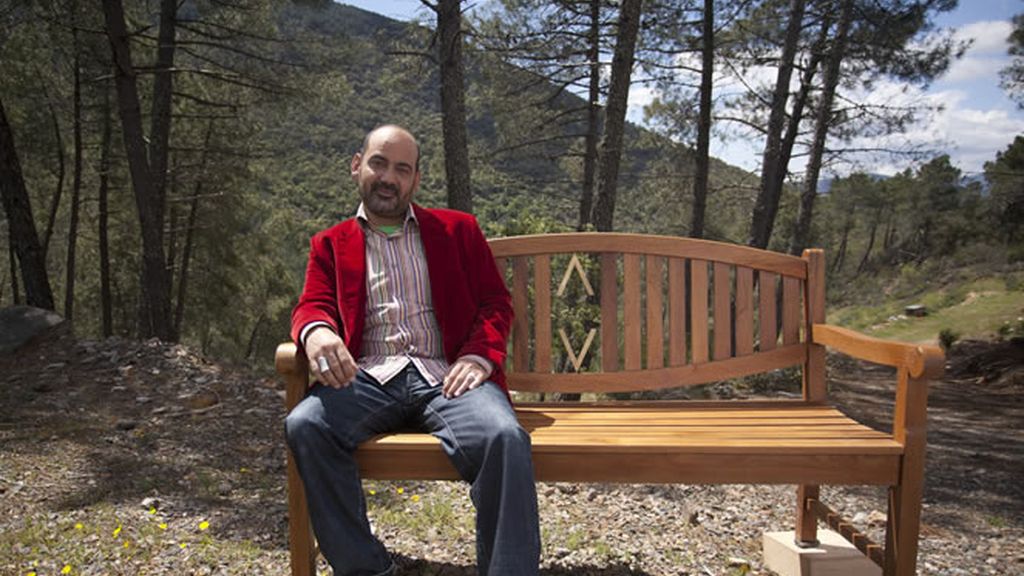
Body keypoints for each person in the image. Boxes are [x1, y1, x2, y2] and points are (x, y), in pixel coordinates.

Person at [284, 124, 540, 576]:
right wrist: (317, 333)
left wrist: (478, 356)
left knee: (504, 436)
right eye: (379, 163)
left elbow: (495, 303)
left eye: (402, 169)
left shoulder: (458, 231)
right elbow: (313, 304)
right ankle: (369, 569)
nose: (389, 177)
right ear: (356, 165)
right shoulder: (330, 244)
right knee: (306, 424)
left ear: (415, 180)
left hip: (449, 378)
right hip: (366, 380)